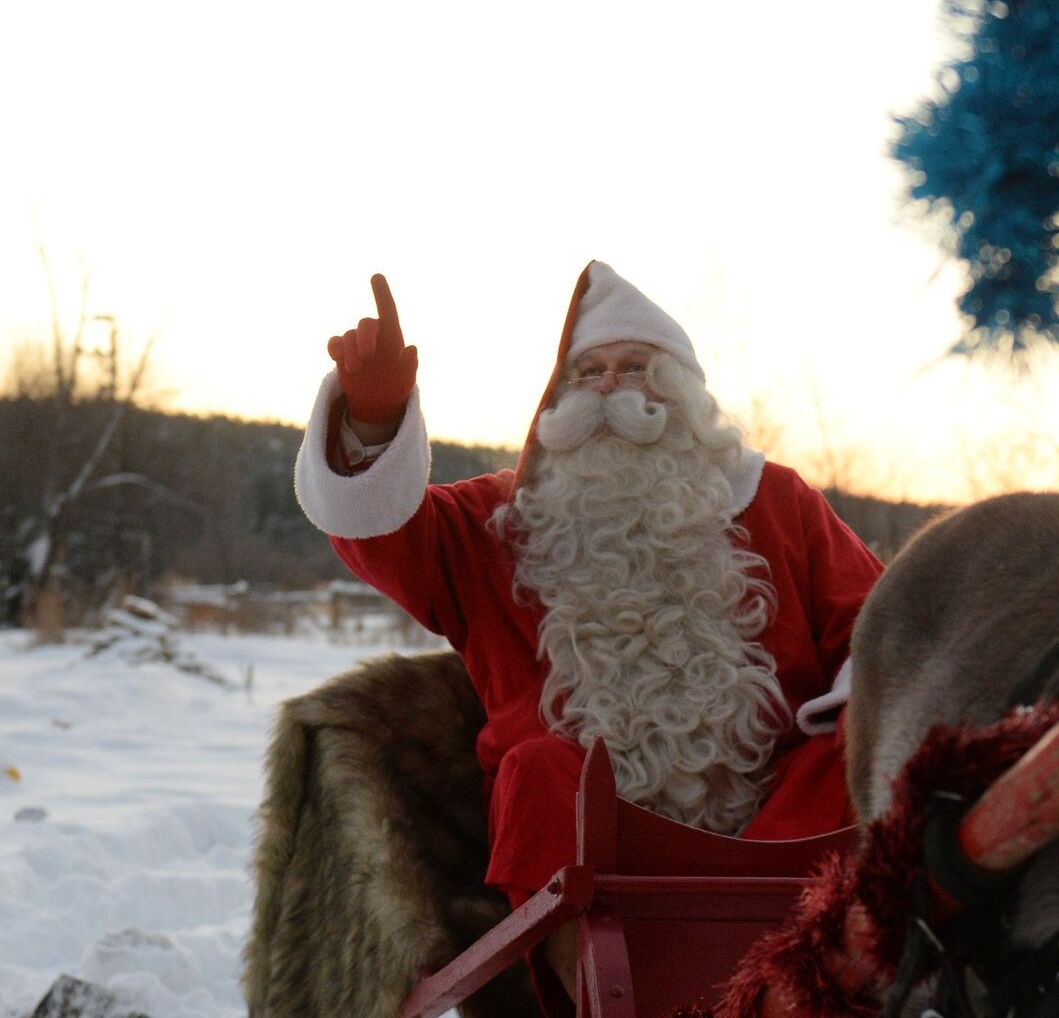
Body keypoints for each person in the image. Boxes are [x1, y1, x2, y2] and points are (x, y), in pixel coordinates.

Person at [293, 261, 884, 1003]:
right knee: (535, 771)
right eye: (590, 371)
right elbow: (382, 533)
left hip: (771, 826)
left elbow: (880, 630)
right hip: (591, 839)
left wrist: (857, 706)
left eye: (636, 367)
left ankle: (790, 980)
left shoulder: (778, 501)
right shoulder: (497, 522)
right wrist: (373, 422)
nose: (610, 386)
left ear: (686, 393)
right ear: (560, 397)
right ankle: (598, 998)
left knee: (855, 749)